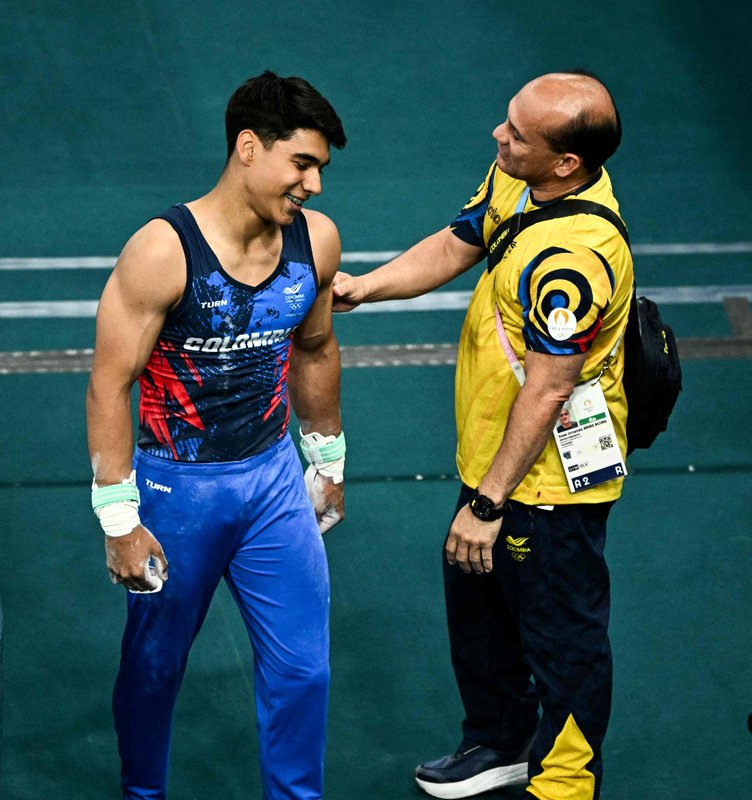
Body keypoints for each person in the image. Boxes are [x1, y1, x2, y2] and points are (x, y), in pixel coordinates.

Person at [332, 71, 631, 799]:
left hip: (544, 485)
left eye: (518, 134)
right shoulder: (519, 180)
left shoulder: (573, 260)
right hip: (494, 459)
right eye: (507, 121)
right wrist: (364, 287)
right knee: (481, 614)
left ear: (567, 162)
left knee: (562, 639)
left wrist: (488, 504)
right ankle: (498, 742)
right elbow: (462, 239)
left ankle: (562, 785)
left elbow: (551, 385)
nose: (499, 137)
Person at [85, 71, 347, 799]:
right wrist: (119, 519)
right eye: (303, 163)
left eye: (322, 168)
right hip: (178, 493)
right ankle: (143, 795)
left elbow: (317, 349)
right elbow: (110, 382)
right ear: (248, 147)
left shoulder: (315, 242)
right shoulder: (163, 251)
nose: (315, 185)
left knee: (304, 668)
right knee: (156, 666)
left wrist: (326, 460)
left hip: (270, 487)